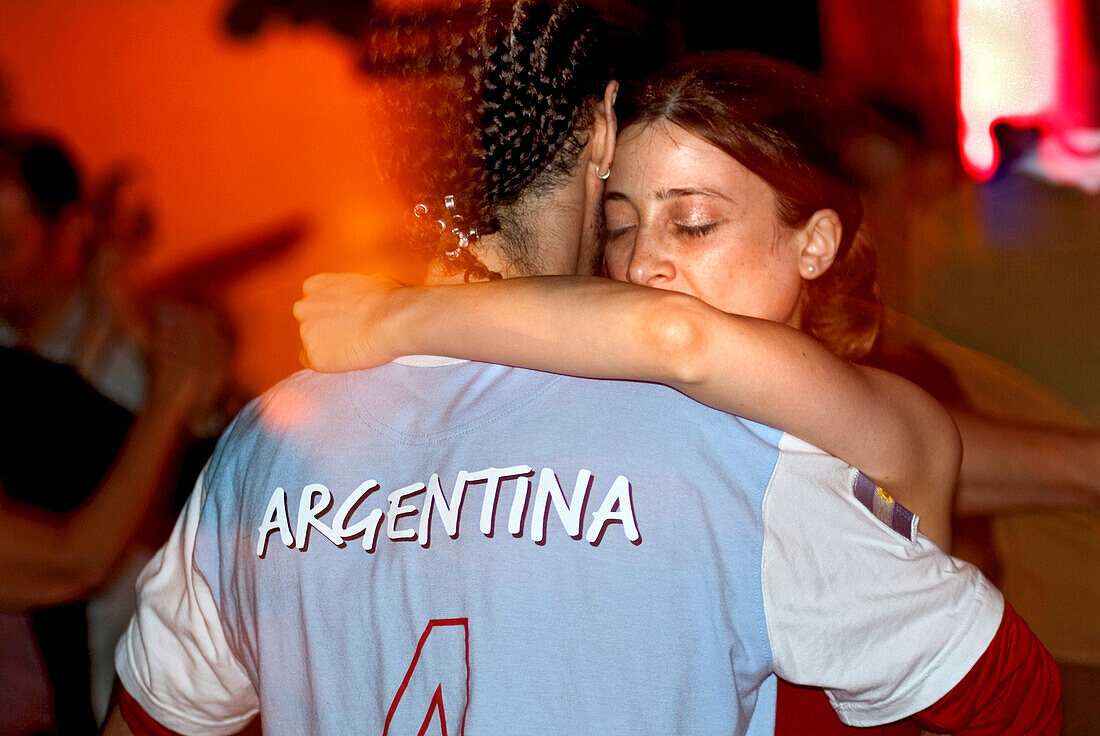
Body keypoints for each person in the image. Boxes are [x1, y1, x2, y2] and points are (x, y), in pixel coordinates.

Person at [107, 5, 1058, 734]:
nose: (645, 266)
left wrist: (402, 313)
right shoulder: (729, 453)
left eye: (693, 223)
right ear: (599, 133)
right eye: (621, 226)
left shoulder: (266, 448)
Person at [0, 131, 231, 735]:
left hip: (147, 673)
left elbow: (204, 498)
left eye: (3, 243)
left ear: (67, 231)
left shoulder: (142, 344)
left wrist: (176, 390)